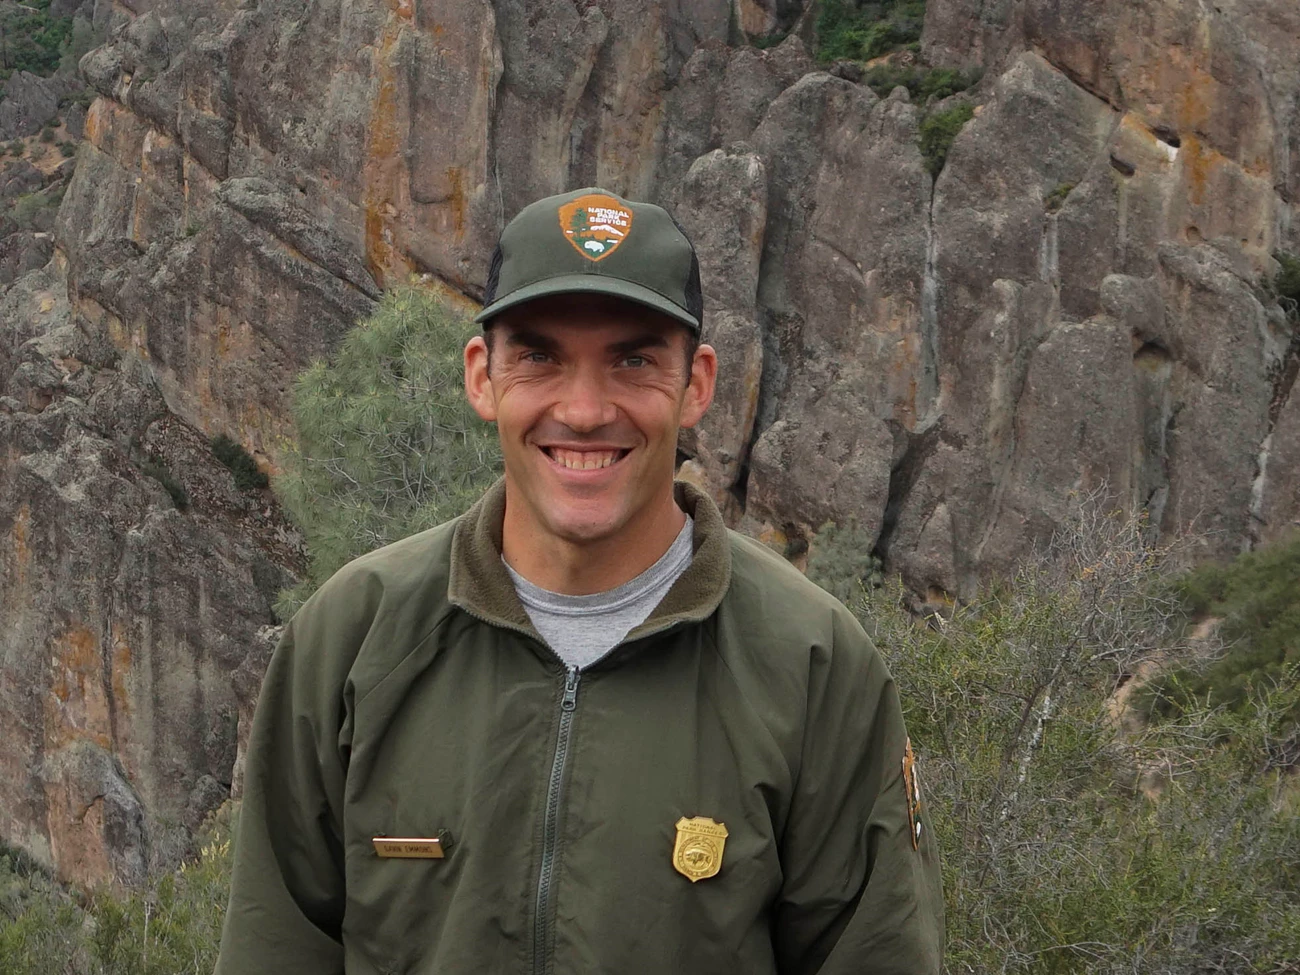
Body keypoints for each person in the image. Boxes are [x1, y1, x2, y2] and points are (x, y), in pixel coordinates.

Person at [215, 187, 944, 974]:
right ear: (481, 377)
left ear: (697, 384)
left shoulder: (813, 664)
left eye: (633, 359)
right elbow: (274, 946)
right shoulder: (350, 640)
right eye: (539, 356)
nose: (587, 409)